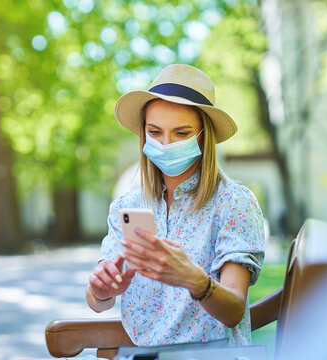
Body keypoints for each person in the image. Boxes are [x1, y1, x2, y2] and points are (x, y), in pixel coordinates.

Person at [85, 64, 265, 347]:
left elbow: (234, 310)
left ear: (204, 136)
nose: (166, 144)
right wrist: (101, 290)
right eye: (155, 132)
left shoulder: (233, 202)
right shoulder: (127, 206)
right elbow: (97, 302)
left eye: (181, 133)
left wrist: (197, 281)